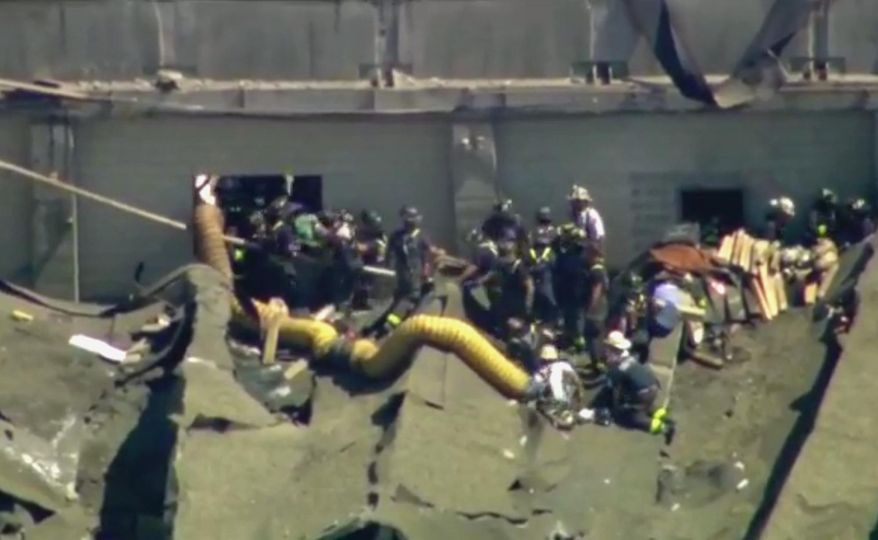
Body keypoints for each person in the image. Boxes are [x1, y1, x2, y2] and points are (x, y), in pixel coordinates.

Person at [599, 331, 675, 444]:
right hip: (652, 386)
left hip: (642, 394)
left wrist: (614, 407)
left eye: (608, 349)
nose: (606, 351)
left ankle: (665, 429)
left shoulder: (619, 368)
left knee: (631, 418)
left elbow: (611, 385)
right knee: (647, 407)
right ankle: (665, 417)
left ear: (613, 349)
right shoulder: (630, 357)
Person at [379, 206, 440, 334]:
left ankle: (393, 321)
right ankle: (391, 325)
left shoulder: (396, 236)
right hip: (413, 274)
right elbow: (431, 252)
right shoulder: (420, 236)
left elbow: (388, 257)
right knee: (410, 297)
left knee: (401, 296)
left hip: (402, 274)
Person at [482, 229, 533, 337]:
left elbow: (530, 286)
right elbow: (490, 275)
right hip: (505, 301)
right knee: (504, 328)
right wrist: (478, 282)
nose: (504, 244)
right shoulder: (500, 263)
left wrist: (527, 305)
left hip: (517, 303)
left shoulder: (519, 265)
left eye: (509, 242)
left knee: (515, 328)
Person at [352, 210, 388, 310]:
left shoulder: (379, 235)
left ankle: (362, 302)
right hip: (367, 262)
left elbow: (366, 248)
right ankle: (359, 303)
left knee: (367, 284)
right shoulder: (361, 233)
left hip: (374, 263)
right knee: (363, 284)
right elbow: (361, 247)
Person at [528, 209, 558, 325]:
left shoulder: (532, 232)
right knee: (548, 294)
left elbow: (528, 246)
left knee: (536, 292)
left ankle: (536, 316)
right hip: (548, 266)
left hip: (533, 265)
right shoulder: (555, 232)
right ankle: (551, 319)